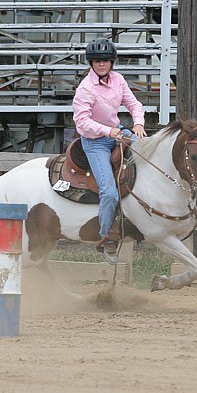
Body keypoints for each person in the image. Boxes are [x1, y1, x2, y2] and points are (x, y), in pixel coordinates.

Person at [72, 38, 147, 264]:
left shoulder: (119, 80)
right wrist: (108, 132)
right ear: (91, 63)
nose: (101, 64)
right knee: (109, 192)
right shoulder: (85, 88)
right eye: (97, 61)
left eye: (105, 60)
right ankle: (107, 237)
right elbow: (81, 122)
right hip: (95, 142)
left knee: (149, 151)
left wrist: (139, 124)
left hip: (117, 131)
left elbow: (134, 104)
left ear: (111, 62)